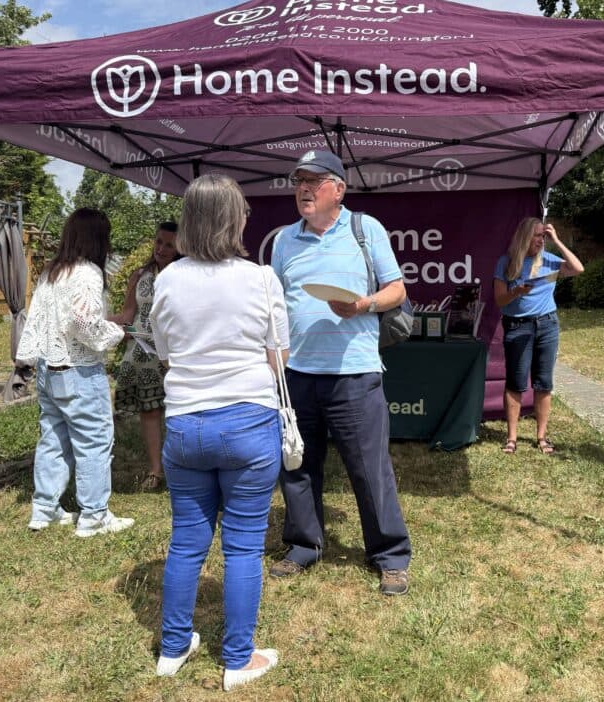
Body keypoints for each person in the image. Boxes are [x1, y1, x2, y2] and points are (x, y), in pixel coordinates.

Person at [149, 174, 286, 690]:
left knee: (186, 542)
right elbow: (279, 358)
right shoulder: (261, 278)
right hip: (249, 421)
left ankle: (173, 646)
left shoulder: (167, 279)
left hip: (185, 422)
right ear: (235, 219)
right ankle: (237, 659)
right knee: (244, 547)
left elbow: (165, 354)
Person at [268, 149, 412, 597]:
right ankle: (303, 544)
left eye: (314, 180)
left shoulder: (364, 229)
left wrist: (364, 305)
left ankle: (389, 555)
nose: (304, 189)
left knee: (369, 469)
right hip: (298, 375)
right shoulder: (283, 241)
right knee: (298, 465)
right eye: (298, 182)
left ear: (338, 189)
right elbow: (274, 306)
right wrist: (275, 360)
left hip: (354, 374)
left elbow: (397, 290)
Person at [16, 208, 134, 537]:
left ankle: (45, 509)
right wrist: (115, 334)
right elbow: (83, 323)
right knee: (94, 441)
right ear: (98, 239)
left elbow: (38, 320)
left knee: (53, 439)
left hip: (48, 369)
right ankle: (94, 515)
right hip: (79, 370)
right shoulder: (87, 274)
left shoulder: (53, 272)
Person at [493, 218, 584, 455]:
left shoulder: (549, 261)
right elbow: (500, 300)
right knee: (516, 381)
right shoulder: (507, 262)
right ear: (524, 237)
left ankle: (541, 436)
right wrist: (516, 292)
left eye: (543, 237)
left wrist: (557, 240)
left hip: (547, 324)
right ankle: (511, 438)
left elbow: (577, 268)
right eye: (536, 236)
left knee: (544, 382)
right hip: (517, 326)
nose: (540, 240)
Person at [109, 221, 181, 491]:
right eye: (159, 241)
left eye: (169, 244)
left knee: (177, 410)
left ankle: (180, 467)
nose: (161, 248)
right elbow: (128, 315)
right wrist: (100, 322)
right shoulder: (139, 275)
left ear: (180, 248)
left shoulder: (184, 274)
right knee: (150, 412)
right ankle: (155, 470)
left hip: (175, 352)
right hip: (142, 354)